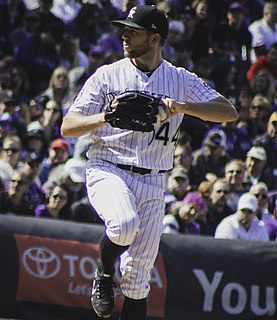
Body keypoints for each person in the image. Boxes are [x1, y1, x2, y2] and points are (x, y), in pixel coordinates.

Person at [60, 5, 237, 319]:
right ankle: (103, 272)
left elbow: (228, 112)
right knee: (124, 224)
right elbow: (68, 126)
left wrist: (181, 106)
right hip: (108, 167)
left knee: (139, 279)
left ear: (155, 38)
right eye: (124, 29)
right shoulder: (108, 74)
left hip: (155, 179)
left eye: (134, 31)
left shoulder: (180, 79)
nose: (125, 36)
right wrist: (105, 116)